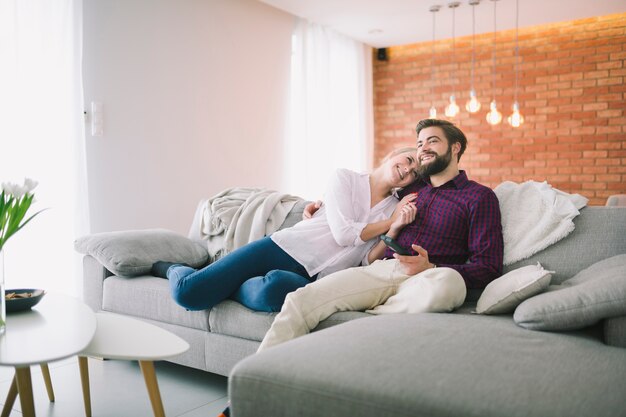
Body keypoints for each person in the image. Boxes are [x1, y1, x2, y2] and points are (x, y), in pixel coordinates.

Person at [257, 118, 504, 351]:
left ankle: (373, 313)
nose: (423, 148)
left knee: (449, 285)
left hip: (430, 276)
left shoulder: (479, 197)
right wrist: (320, 204)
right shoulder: (413, 186)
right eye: (420, 143)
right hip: (384, 269)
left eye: (432, 141)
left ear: (455, 148)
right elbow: (367, 189)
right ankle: (255, 383)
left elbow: (488, 266)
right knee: (301, 299)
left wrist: (432, 266)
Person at [152, 147, 420, 312]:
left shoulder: (393, 208)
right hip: (283, 248)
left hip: (315, 279)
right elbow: (343, 234)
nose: (407, 169)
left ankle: (227, 285)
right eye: (407, 159)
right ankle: (172, 268)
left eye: (414, 173)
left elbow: (365, 259)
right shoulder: (345, 178)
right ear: (394, 154)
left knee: (274, 290)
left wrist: (393, 230)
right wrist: (390, 221)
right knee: (189, 293)